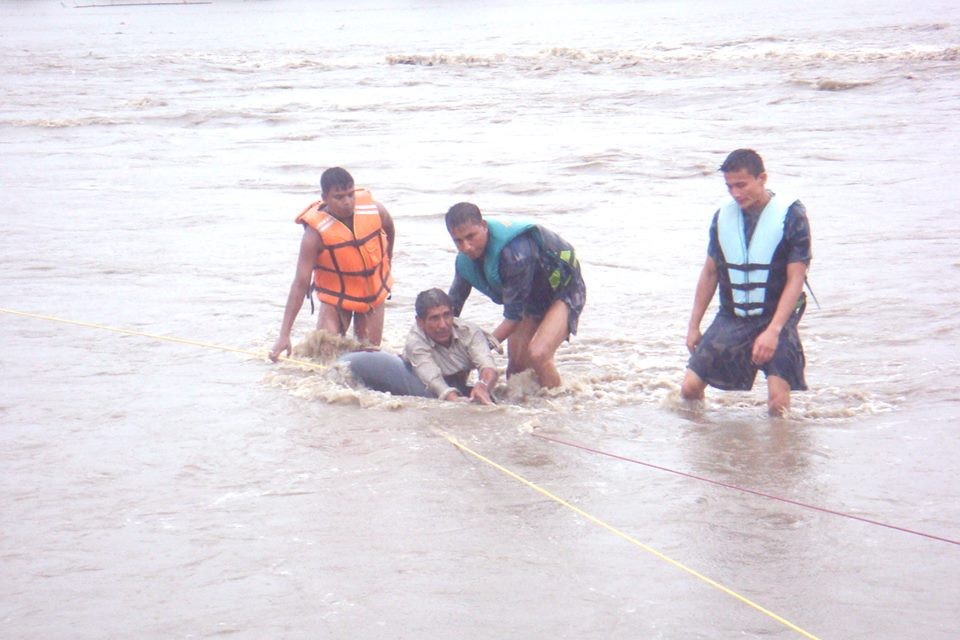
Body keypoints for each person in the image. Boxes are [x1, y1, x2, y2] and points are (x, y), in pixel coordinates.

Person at [681, 149, 812, 416]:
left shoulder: (792, 215)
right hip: (733, 316)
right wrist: (694, 325)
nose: (736, 193)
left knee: (778, 404)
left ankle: (779, 452)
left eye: (742, 185)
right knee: (689, 389)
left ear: (762, 178)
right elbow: (709, 273)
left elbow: (795, 278)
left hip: (777, 316)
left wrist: (774, 331)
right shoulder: (722, 218)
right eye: (729, 187)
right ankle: (702, 442)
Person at [444, 203, 585, 389]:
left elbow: (513, 317)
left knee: (539, 354)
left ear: (484, 226)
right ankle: (525, 411)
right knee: (516, 371)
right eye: (458, 241)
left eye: (471, 237)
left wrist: (477, 352)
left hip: (564, 289)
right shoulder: (464, 263)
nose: (467, 247)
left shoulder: (515, 254)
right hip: (530, 298)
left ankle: (560, 407)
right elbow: (452, 308)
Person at [269, 167, 394, 361]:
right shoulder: (314, 235)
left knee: (369, 356)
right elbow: (301, 283)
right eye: (339, 197)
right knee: (326, 354)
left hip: (371, 296)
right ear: (325, 197)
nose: (347, 202)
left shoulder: (374, 210)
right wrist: (284, 334)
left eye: (350, 194)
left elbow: (389, 228)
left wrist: (388, 260)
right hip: (336, 298)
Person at [340, 288, 499, 404]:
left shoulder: (469, 332)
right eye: (434, 318)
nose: (443, 325)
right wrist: (457, 403)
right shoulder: (415, 342)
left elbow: (488, 366)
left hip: (455, 374)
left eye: (447, 315)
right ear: (420, 322)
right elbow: (434, 381)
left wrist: (483, 385)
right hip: (421, 373)